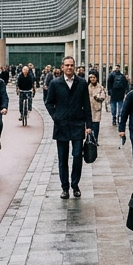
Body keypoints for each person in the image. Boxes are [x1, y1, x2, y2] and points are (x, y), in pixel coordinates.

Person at [45, 56, 93, 198]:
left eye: (71, 65)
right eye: (67, 65)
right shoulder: (55, 83)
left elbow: (87, 105)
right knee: (62, 158)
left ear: (75, 67)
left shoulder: (82, 83)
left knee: (77, 155)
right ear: (62, 67)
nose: (69, 67)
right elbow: (48, 102)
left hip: (78, 124)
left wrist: (89, 125)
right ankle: (64, 188)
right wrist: (56, 116)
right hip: (61, 125)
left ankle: (75, 185)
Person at [87, 72, 107, 144]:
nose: (92, 79)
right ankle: (89, 139)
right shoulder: (87, 87)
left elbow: (103, 96)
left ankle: (95, 139)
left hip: (97, 108)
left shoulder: (100, 87)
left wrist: (97, 97)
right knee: (89, 125)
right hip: (88, 108)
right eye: (91, 77)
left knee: (96, 125)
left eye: (94, 77)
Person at [106, 64, 129, 128]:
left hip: (113, 93)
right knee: (120, 106)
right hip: (120, 93)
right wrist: (126, 92)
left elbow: (109, 84)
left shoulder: (111, 75)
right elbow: (125, 84)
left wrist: (109, 93)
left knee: (113, 106)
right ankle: (119, 117)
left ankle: (114, 118)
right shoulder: (122, 75)